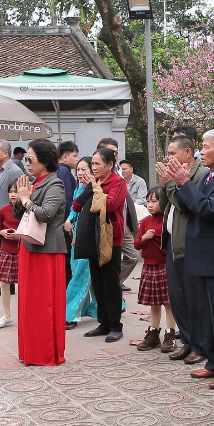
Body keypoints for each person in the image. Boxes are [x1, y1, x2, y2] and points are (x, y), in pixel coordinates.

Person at [163, 126, 214, 389]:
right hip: (200, 254)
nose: (201, 151)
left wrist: (184, 183)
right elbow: (189, 205)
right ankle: (213, 361)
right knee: (205, 313)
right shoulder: (208, 177)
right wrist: (176, 184)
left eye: (207, 147)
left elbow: (206, 210)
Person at [11, 138, 68, 365]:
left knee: (44, 303)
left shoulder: (55, 183)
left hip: (47, 251)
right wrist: (19, 196)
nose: (27, 163)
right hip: (29, 247)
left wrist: (26, 200)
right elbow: (19, 215)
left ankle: (45, 352)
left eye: (30, 159)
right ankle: (29, 351)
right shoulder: (34, 181)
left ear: (44, 161)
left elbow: (45, 214)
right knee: (28, 303)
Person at [156, 135, 207, 364]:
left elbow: (187, 206)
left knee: (193, 300)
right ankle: (187, 341)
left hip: (190, 246)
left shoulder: (199, 175)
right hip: (172, 244)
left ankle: (199, 345)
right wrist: (166, 185)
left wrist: (171, 184)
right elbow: (167, 207)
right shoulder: (175, 176)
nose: (169, 157)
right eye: (168, 153)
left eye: (173, 153)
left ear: (188, 152)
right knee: (177, 298)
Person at [74, 145, 128, 342]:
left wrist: (95, 188)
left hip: (110, 240)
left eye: (97, 164)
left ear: (110, 165)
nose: (93, 167)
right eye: (92, 164)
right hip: (92, 239)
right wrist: (90, 187)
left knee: (111, 283)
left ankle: (116, 326)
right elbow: (76, 205)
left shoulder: (117, 182)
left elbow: (110, 205)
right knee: (98, 283)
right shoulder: (94, 182)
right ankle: (103, 323)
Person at [131, 188, 177, 352]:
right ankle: (153, 333)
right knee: (154, 303)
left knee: (168, 303)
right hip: (149, 266)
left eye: (154, 201)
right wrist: (144, 238)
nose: (150, 205)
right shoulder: (145, 222)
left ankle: (170, 334)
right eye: (148, 201)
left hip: (164, 266)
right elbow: (136, 244)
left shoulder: (167, 220)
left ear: (163, 202)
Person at [97, 138, 140, 287]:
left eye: (116, 152)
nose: (115, 154)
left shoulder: (119, 173)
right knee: (104, 260)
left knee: (133, 256)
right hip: (106, 224)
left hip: (123, 221)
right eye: (111, 151)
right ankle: (109, 285)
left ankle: (114, 282)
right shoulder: (97, 173)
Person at [65, 159, 98, 326]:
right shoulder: (78, 189)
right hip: (76, 237)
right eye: (78, 169)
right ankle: (106, 306)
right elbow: (73, 209)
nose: (79, 173)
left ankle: (70, 315)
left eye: (84, 169)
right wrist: (69, 220)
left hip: (89, 237)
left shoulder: (96, 189)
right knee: (81, 271)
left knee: (80, 274)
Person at [0, 140, 22, 296]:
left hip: (11, 218)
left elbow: (21, 190)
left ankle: (9, 284)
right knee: (3, 251)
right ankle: (7, 283)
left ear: (5, 153)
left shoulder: (13, 170)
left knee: (9, 251)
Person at [0, 182, 21, 328]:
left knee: (23, 285)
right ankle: (7, 315)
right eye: (10, 191)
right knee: (4, 283)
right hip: (6, 249)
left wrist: (20, 236)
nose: (13, 194)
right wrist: (1, 232)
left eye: (16, 191)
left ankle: (25, 314)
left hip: (21, 250)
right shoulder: (3, 210)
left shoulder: (26, 211)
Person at [55, 141, 79, 284]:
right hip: (65, 224)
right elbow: (67, 200)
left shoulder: (58, 170)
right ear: (65, 157)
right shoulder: (64, 172)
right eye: (75, 156)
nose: (76, 159)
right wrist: (69, 220)